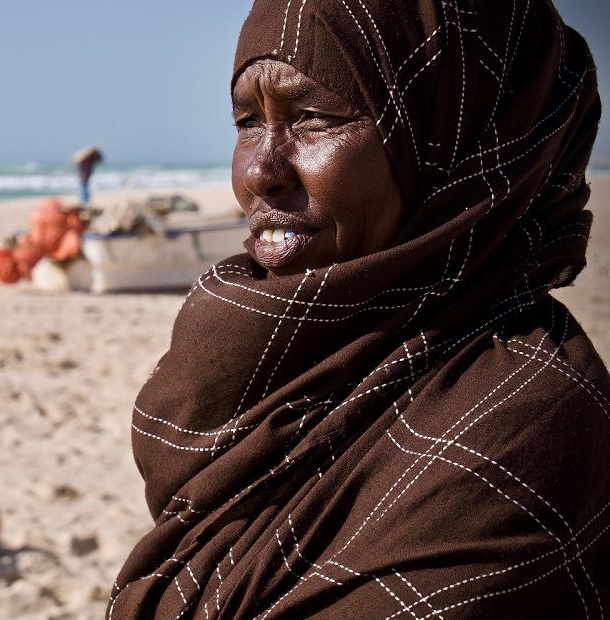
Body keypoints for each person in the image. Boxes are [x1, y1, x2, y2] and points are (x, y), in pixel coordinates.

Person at [109, 1, 607, 617]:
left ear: (456, 145)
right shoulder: (319, 363)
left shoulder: (520, 417)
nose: (258, 172)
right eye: (246, 121)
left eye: (314, 118)